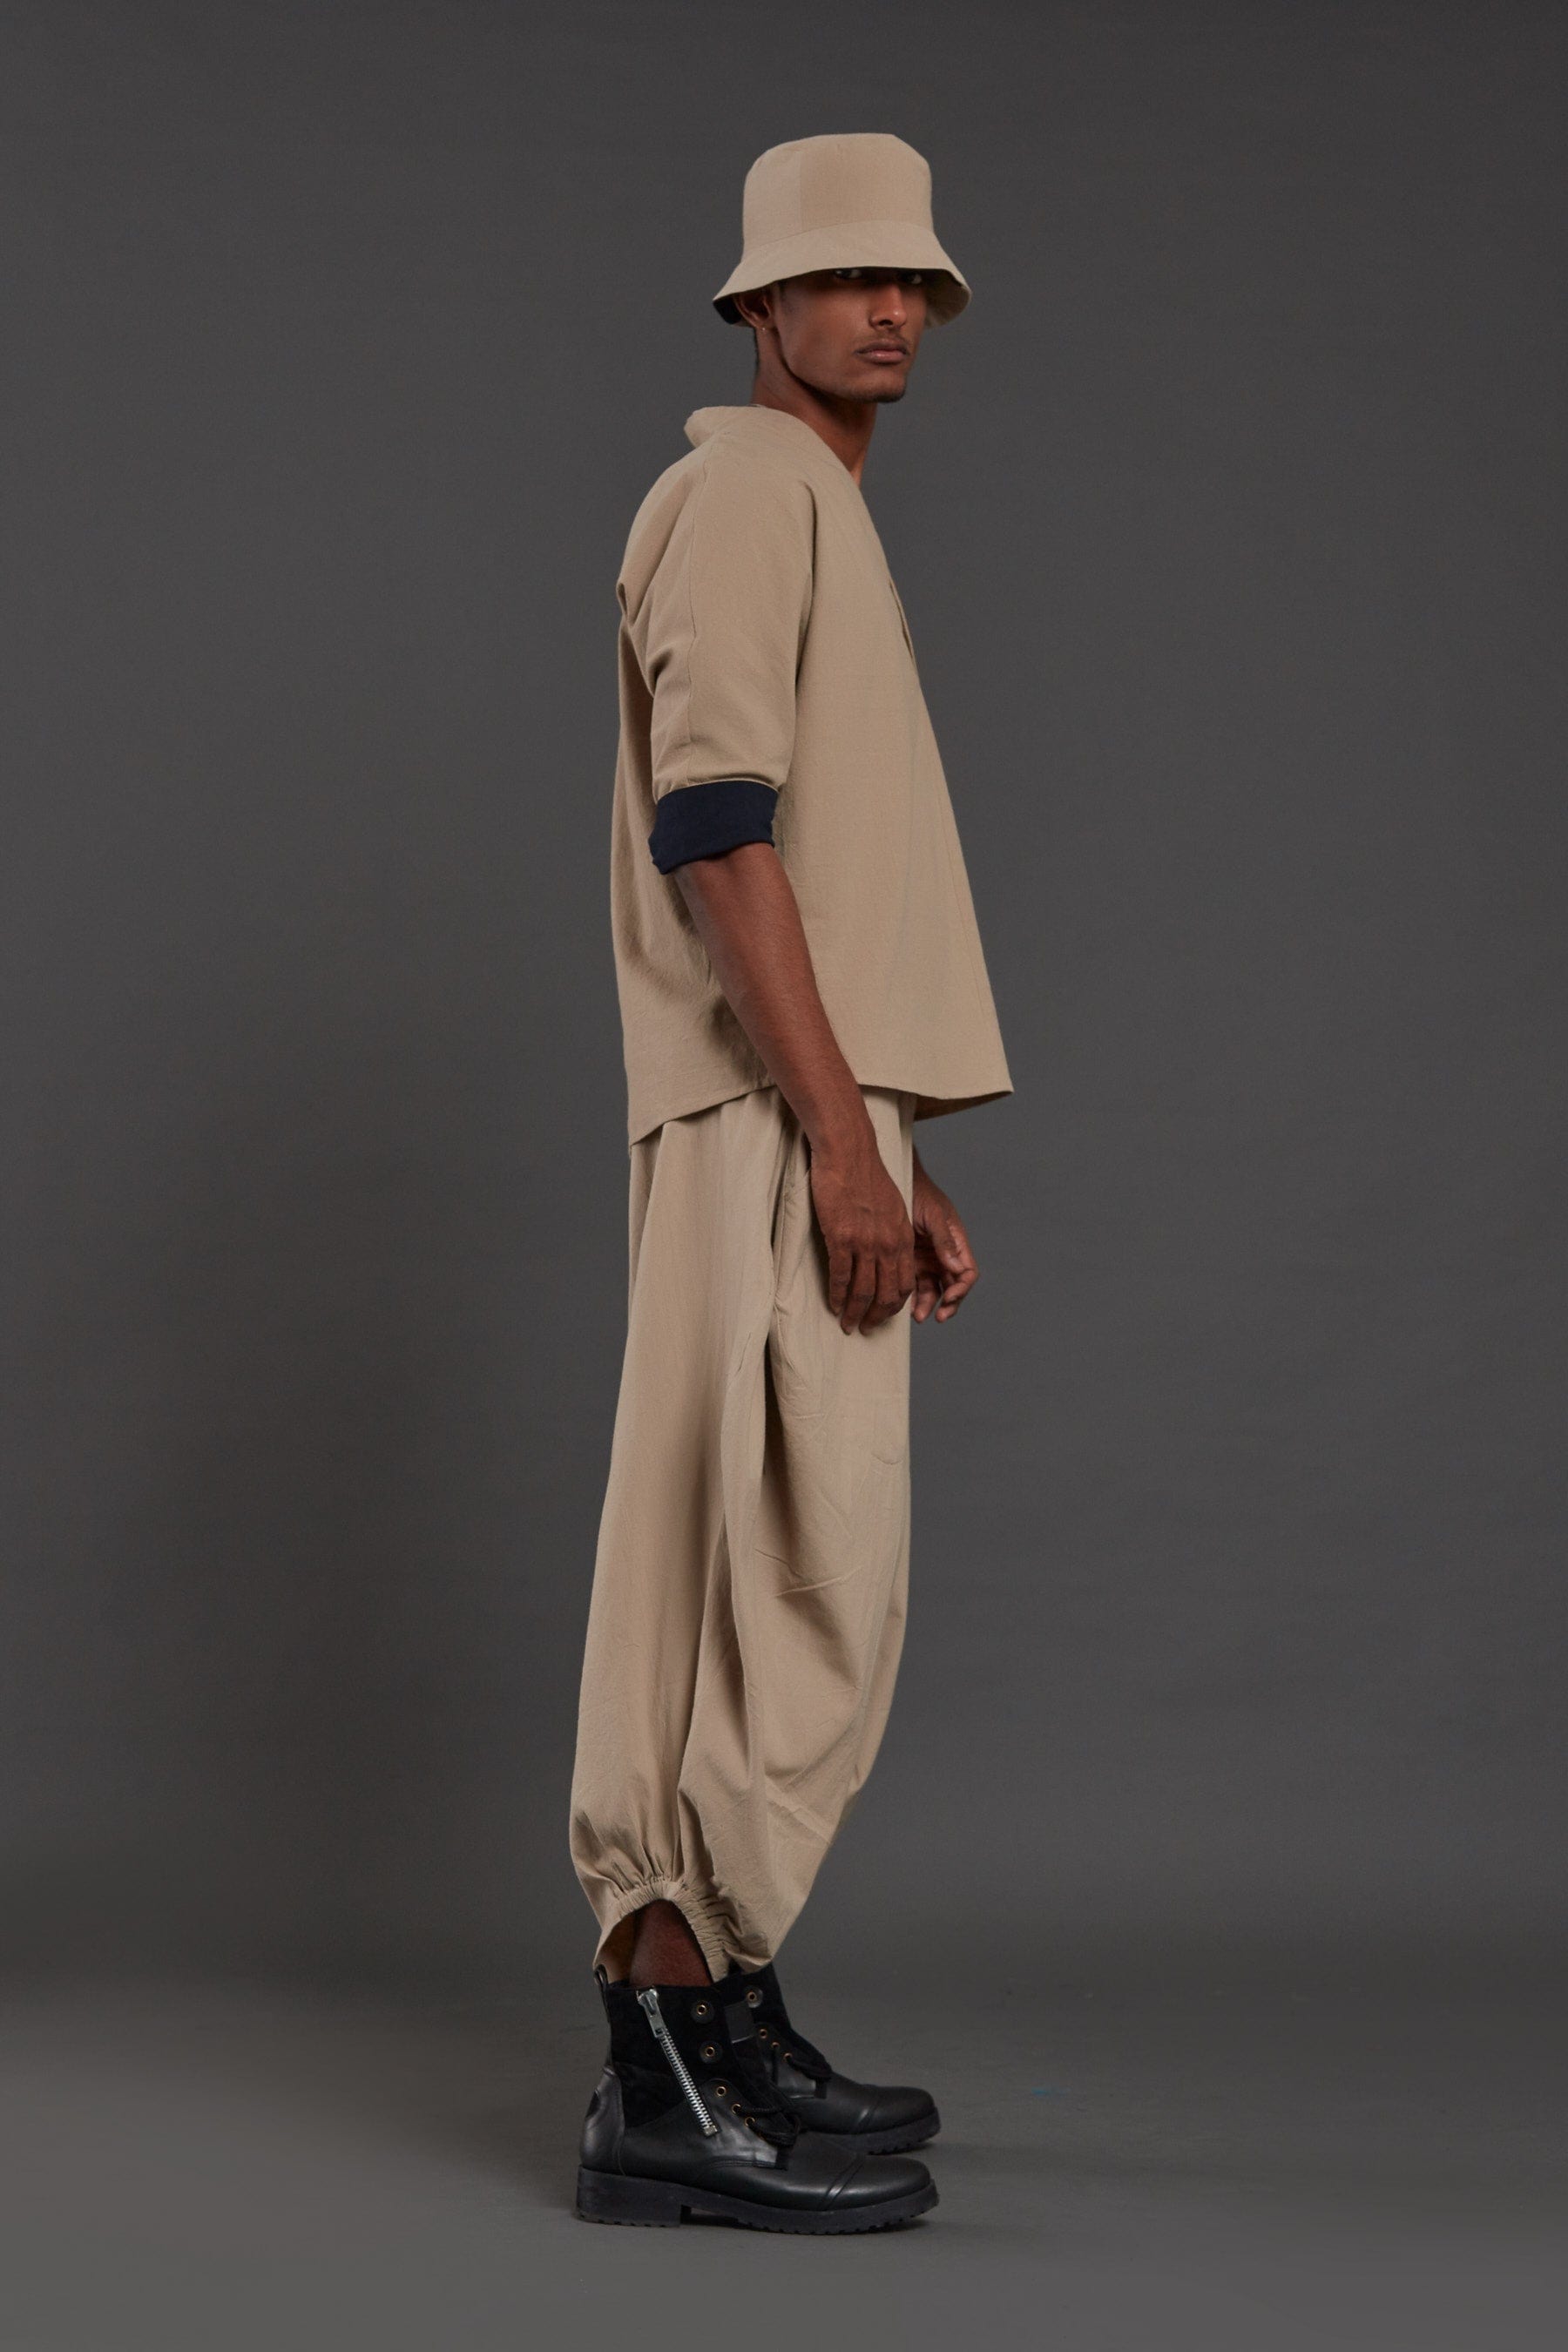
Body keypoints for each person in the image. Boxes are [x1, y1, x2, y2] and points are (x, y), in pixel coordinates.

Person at [569, 132, 1014, 2234]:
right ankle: (663, 2067)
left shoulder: (809, 501)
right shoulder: (749, 489)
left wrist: (890, 1137)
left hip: (813, 1104)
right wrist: (841, 1132)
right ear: (758, 306)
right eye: (844, 277)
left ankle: (725, 2012)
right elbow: (716, 824)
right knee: (752, 1572)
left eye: (912, 279)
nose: (888, 307)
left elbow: (813, 856)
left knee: (785, 1563)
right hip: (765, 1110)